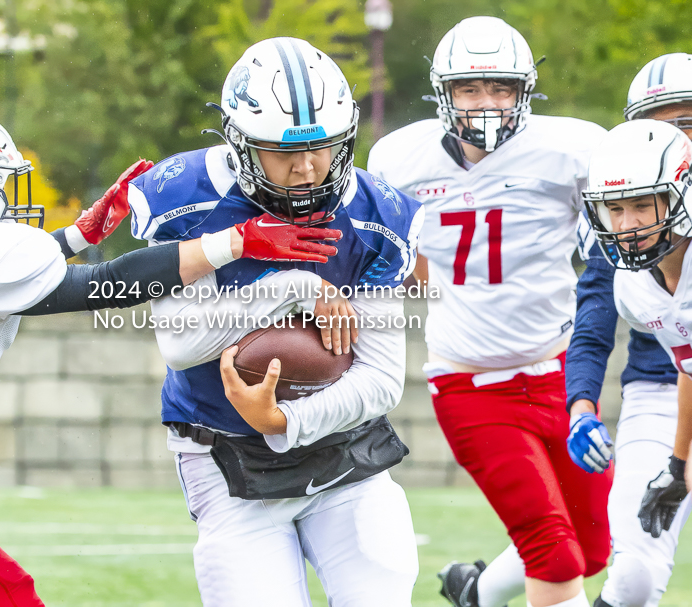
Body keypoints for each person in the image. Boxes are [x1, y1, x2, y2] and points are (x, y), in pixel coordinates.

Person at [0, 105, 341, 606]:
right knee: (9, 597)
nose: (5, 195)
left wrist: (79, 235)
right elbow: (105, 286)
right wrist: (233, 242)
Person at [129, 37, 425, 606]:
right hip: (224, 454)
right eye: (282, 150)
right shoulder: (190, 198)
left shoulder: (370, 212)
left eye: (322, 146)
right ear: (240, 144)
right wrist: (296, 287)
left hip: (343, 448)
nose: (307, 166)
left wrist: (285, 419)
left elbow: (382, 379)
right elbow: (182, 342)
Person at [368, 16, 611, 607]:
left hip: (557, 375)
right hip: (471, 385)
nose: (486, 103)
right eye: (471, 89)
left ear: (525, 92)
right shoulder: (400, 159)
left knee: (594, 550)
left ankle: (476, 593)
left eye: (501, 88)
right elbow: (383, 255)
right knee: (552, 552)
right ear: (443, 93)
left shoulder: (572, 150)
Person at [565, 52, 692, 607]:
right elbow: (593, 325)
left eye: (686, 123)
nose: (672, 138)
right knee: (636, 574)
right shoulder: (626, 226)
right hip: (662, 389)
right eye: (656, 126)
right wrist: (581, 408)